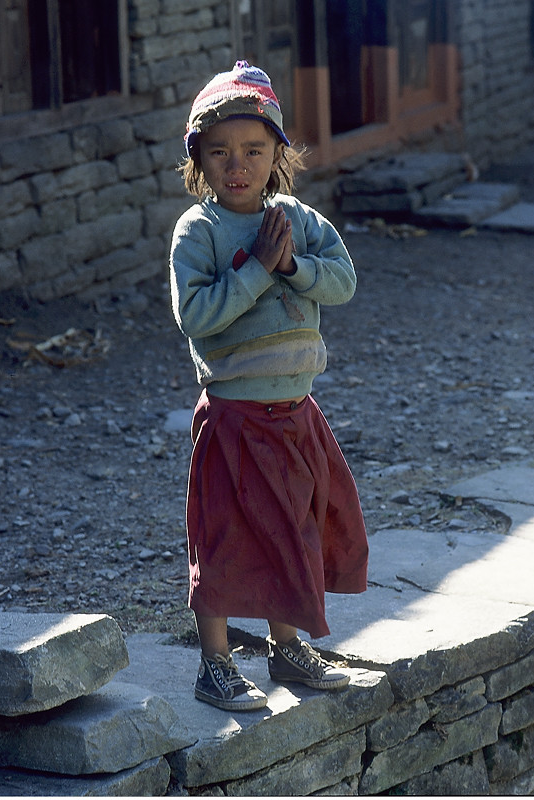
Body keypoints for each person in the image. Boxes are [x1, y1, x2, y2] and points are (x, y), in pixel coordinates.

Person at [169, 61, 368, 712]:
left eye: (254, 150)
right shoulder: (199, 233)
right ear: (196, 160)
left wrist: (292, 265)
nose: (237, 165)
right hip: (233, 418)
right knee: (224, 535)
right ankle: (216, 663)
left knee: (295, 531)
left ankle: (287, 650)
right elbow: (196, 316)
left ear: (279, 154)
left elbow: (341, 284)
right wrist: (256, 270)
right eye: (219, 152)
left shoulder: (299, 221)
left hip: (296, 412)